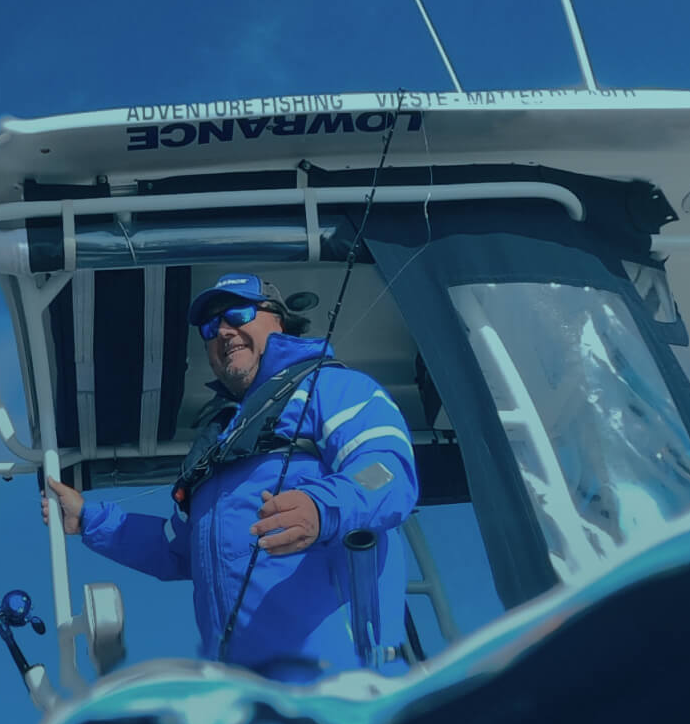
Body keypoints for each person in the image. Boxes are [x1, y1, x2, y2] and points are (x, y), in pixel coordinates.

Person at [41, 272, 418, 680]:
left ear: (279, 319)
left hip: (345, 681)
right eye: (210, 327)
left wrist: (320, 506)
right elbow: (177, 549)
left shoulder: (335, 387)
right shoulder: (221, 437)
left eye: (237, 313)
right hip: (251, 699)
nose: (223, 331)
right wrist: (90, 519)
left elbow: (388, 473)